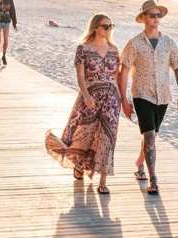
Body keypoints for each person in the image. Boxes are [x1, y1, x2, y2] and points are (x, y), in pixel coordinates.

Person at [46, 14, 133, 191]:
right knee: (84, 134)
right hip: (90, 97)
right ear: (95, 27)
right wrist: (86, 95)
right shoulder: (83, 49)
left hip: (111, 100)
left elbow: (117, 77)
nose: (109, 29)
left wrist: (123, 99)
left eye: (111, 26)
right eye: (105, 26)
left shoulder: (114, 50)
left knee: (107, 137)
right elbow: (80, 76)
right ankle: (79, 165)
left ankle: (103, 182)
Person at [118, 0, 178, 196]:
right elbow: (123, 72)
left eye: (158, 15)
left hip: (163, 96)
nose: (156, 19)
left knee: (151, 135)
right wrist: (124, 100)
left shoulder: (169, 43)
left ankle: (140, 163)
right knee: (149, 136)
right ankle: (153, 178)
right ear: (144, 18)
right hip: (142, 95)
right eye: (152, 15)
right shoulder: (134, 43)